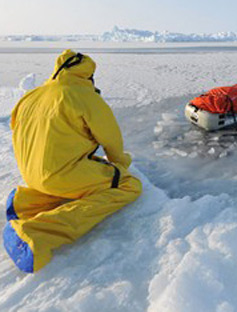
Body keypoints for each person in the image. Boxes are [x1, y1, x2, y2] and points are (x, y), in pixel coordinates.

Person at [4, 50, 142, 273]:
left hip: (30, 172)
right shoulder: (84, 96)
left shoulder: (32, 95)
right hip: (59, 175)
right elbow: (111, 139)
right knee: (129, 185)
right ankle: (37, 234)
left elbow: (17, 128)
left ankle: (25, 202)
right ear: (88, 74)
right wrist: (119, 166)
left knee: (69, 175)